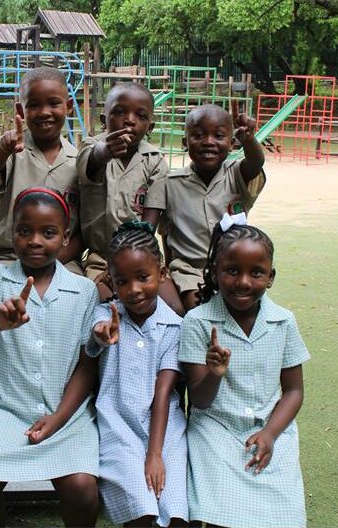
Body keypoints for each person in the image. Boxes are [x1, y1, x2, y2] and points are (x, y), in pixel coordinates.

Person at [0, 188, 100, 527]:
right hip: (0, 409)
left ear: (66, 238)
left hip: (65, 414)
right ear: (11, 233)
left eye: (48, 233)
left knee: (82, 488)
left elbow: (87, 363)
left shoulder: (84, 290)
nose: (35, 241)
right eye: (24, 231)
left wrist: (59, 418)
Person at [179, 216, 309, 528]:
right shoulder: (197, 322)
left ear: (271, 276)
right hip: (215, 430)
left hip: (271, 427)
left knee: (283, 519)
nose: (244, 282)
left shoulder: (283, 321)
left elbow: (294, 391)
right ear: (214, 273)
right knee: (221, 515)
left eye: (257, 272)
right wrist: (215, 372)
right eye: (232, 271)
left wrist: (270, 434)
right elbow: (199, 400)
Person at [87, 221, 187, 527]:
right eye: (122, 282)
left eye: (143, 277)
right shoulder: (106, 314)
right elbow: (96, 335)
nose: (134, 290)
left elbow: (163, 394)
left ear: (162, 272)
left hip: (165, 429)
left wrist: (155, 453)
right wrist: (102, 335)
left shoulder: (174, 327)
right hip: (119, 427)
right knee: (141, 509)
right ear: (110, 281)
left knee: (177, 510)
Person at [144, 103, 266, 314]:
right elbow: (166, 234)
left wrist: (249, 140)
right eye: (198, 136)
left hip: (233, 267)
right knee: (200, 311)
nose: (208, 142)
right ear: (185, 142)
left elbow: (256, 162)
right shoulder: (170, 183)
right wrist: (171, 272)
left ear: (231, 143)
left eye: (219, 136)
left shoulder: (238, 175)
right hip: (189, 270)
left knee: (243, 312)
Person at [0, 66, 84, 275]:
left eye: (54, 103)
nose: (45, 112)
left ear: (69, 106)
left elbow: (82, 230)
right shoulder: (12, 150)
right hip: (8, 257)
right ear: (20, 111)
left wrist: (53, 266)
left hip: (61, 262)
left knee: (83, 292)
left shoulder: (79, 162)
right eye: (34, 105)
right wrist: (3, 147)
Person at [77, 83, 169, 303]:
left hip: (143, 255)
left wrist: (131, 260)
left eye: (141, 115)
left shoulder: (155, 161)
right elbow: (90, 163)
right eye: (119, 112)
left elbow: (149, 223)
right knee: (108, 304)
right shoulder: (91, 147)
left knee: (172, 306)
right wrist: (105, 151)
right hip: (101, 258)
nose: (129, 120)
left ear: (150, 126)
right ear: (103, 119)